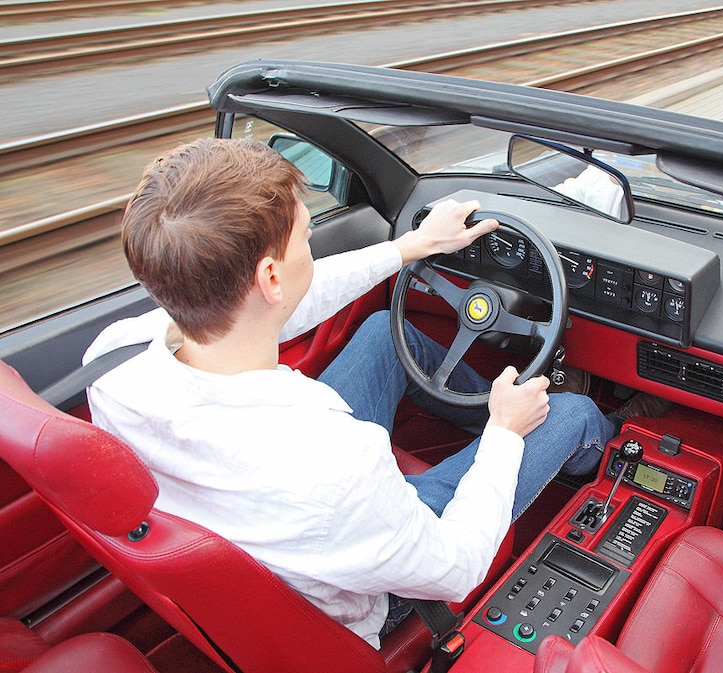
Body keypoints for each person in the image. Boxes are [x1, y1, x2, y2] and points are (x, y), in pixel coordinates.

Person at [84, 138, 619, 648]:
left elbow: (282, 302)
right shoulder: (338, 464)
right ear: (271, 275)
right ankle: (612, 436)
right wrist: (504, 431)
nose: (309, 249)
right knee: (569, 411)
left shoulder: (114, 359)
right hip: (365, 585)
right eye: (304, 237)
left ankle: (490, 410)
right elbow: (457, 566)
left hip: (278, 524)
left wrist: (412, 247)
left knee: (385, 334)